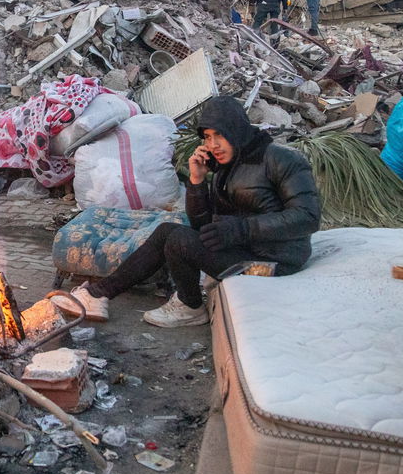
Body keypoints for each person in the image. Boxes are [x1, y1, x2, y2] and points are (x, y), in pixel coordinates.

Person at [52, 96, 321, 327]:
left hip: (275, 262)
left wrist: (241, 229)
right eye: (207, 137)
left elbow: (307, 217)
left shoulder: (282, 159)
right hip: (246, 251)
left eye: (220, 135)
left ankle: (181, 305)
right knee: (171, 232)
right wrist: (196, 181)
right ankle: (104, 295)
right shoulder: (224, 170)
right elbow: (201, 225)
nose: (213, 144)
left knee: (177, 239)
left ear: (238, 131)